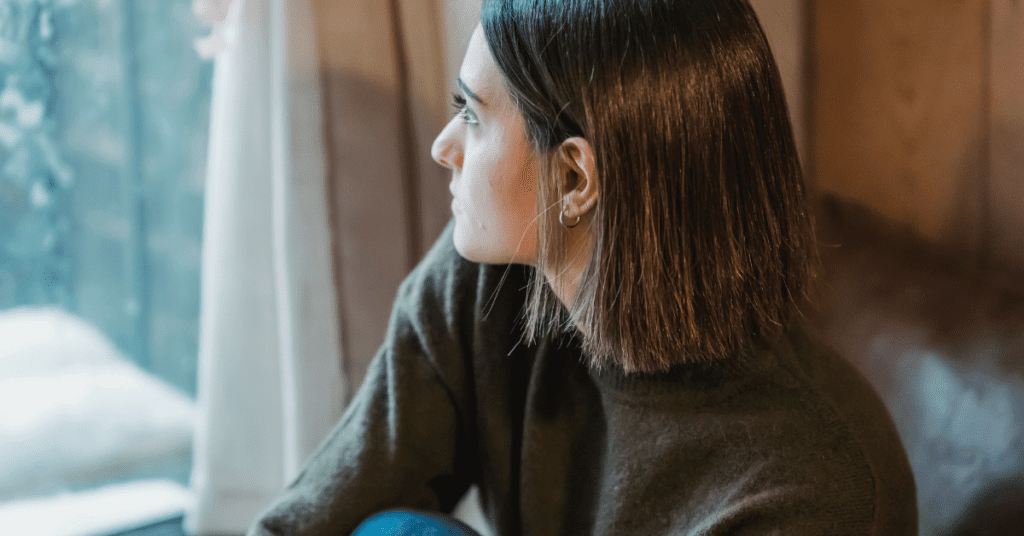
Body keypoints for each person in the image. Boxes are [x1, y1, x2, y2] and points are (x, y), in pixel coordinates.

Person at [247, 0, 918, 534]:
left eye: (472, 116)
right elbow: (308, 523)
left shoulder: (809, 492)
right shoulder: (489, 278)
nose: (443, 147)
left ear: (573, 179)